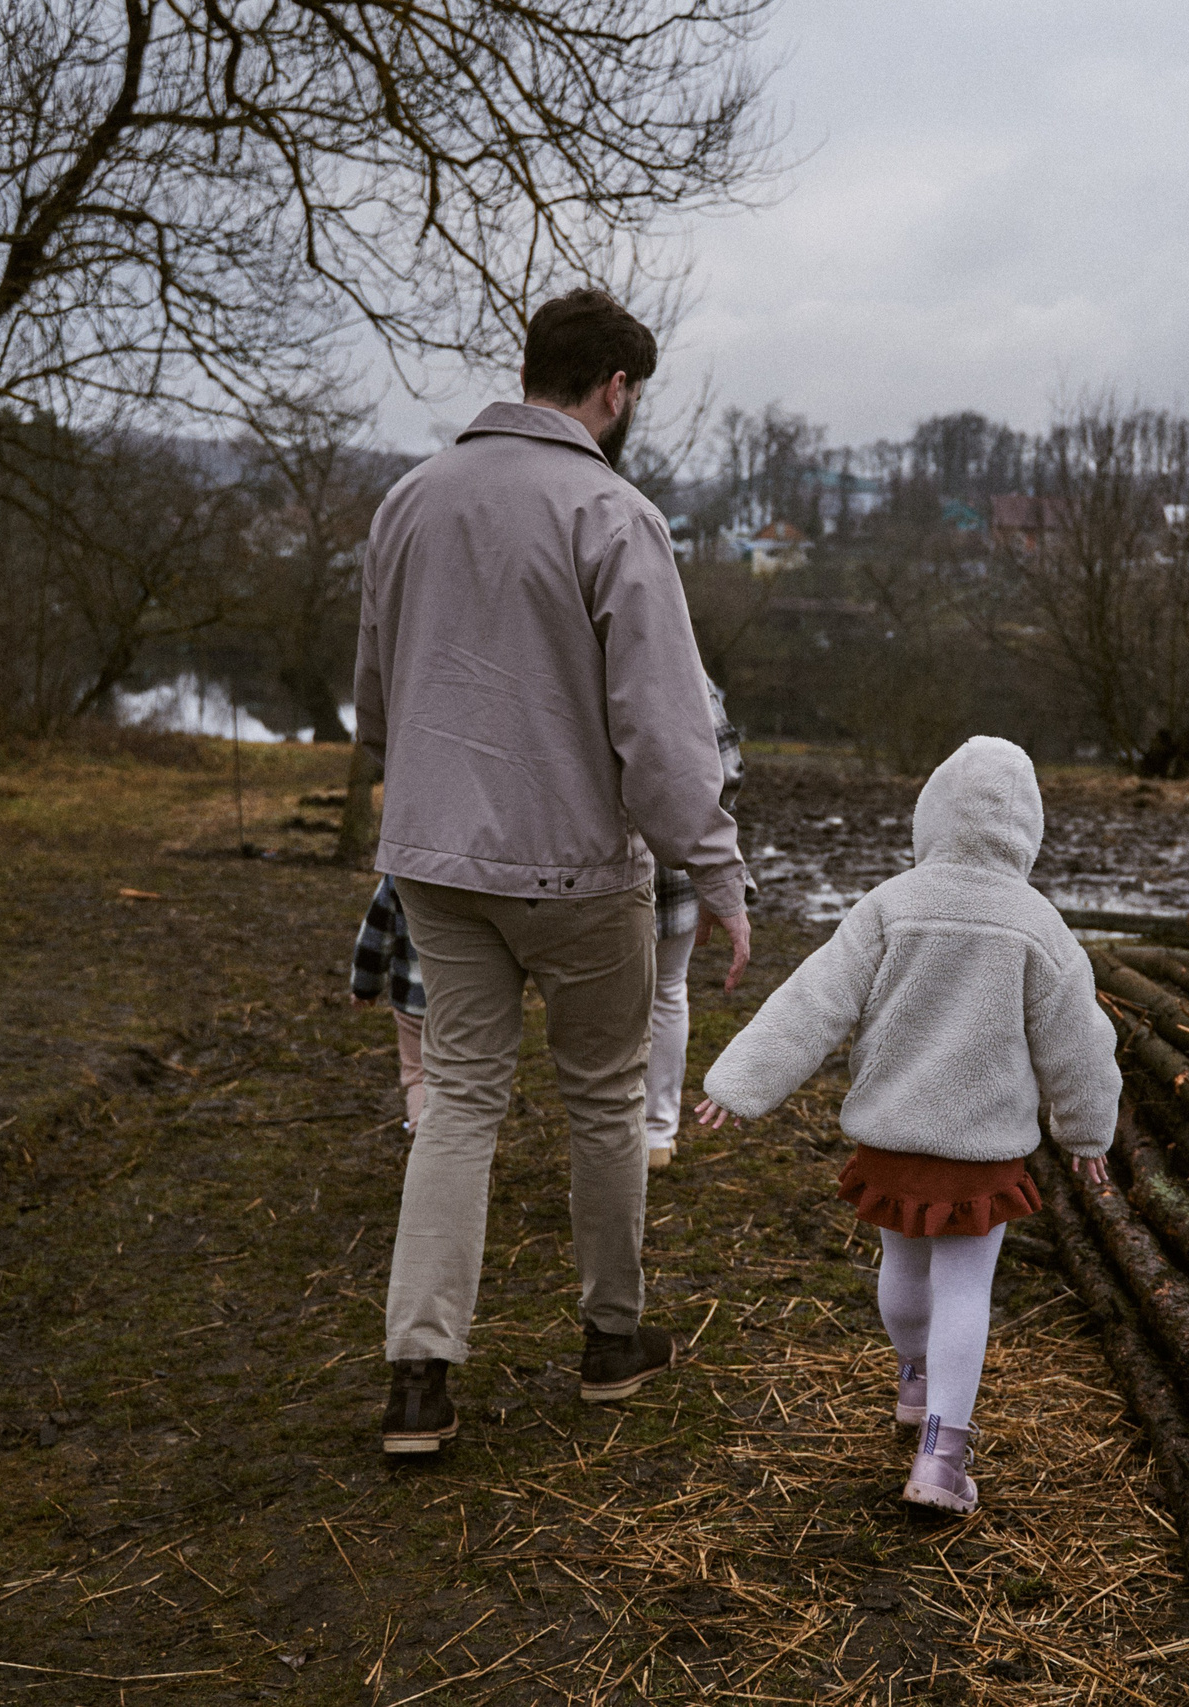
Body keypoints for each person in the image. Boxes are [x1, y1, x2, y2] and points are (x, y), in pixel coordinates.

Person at [353, 287, 751, 1455]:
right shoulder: (613, 513)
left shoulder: (408, 502)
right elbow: (666, 734)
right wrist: (719, 877)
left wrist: (427, 804)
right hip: (578, 873)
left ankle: (419, 1381)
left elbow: (377, 697)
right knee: (604, 1099)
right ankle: (611, 1342)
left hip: (436, 863)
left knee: (462, 1101)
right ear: (613, 391)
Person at [692, 736, 1119, 1514]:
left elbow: (811, 999)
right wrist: (1087, 1132)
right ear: (1028, 828)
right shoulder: (1038, 924)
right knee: (966, 1288)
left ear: (932, 815)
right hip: (980, 1148)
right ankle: (942, 1460)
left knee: (902, 1267)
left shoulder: (889, 904)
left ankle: (914, 1381)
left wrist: (740, 1081)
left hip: (891, 1137)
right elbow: (1080, 1042)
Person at [646, 676, 747, 1171]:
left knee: (606, 1003)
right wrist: (717, 871)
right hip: (675, 861)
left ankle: (628, 1133)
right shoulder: (685, 665)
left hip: (590, 864)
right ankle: (655, 1135)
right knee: (666, 991)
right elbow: (724, 772)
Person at [348, 876, 429, 1134]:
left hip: (415, 1001)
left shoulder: (402, 868)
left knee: (420, 1077)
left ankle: (423, 1139)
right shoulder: (486, 866)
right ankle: (466, 1153)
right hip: (471, 1003)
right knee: (471, 1082)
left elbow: (375, 933)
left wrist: (365, 987)